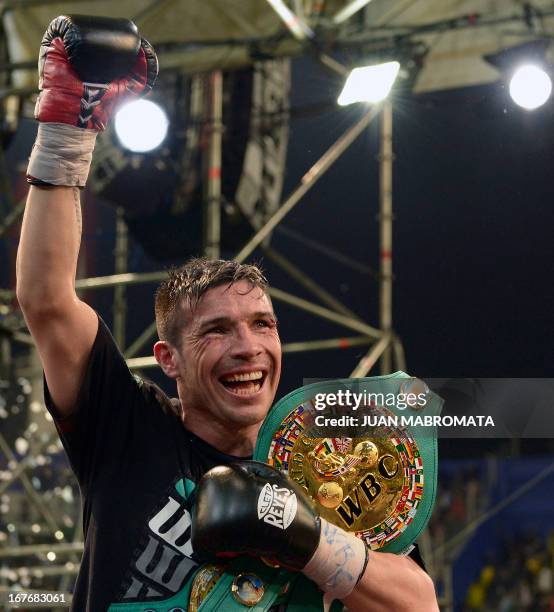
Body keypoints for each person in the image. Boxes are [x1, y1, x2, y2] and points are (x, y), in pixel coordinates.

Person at [16, 15, 439, 612]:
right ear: (170, 359)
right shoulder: (129, 431)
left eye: (262, 325)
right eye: (217, 331)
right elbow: (47, 300)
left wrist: (310, 541)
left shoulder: (325, 473)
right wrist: (66, 122)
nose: (248, 346)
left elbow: (420, 603)